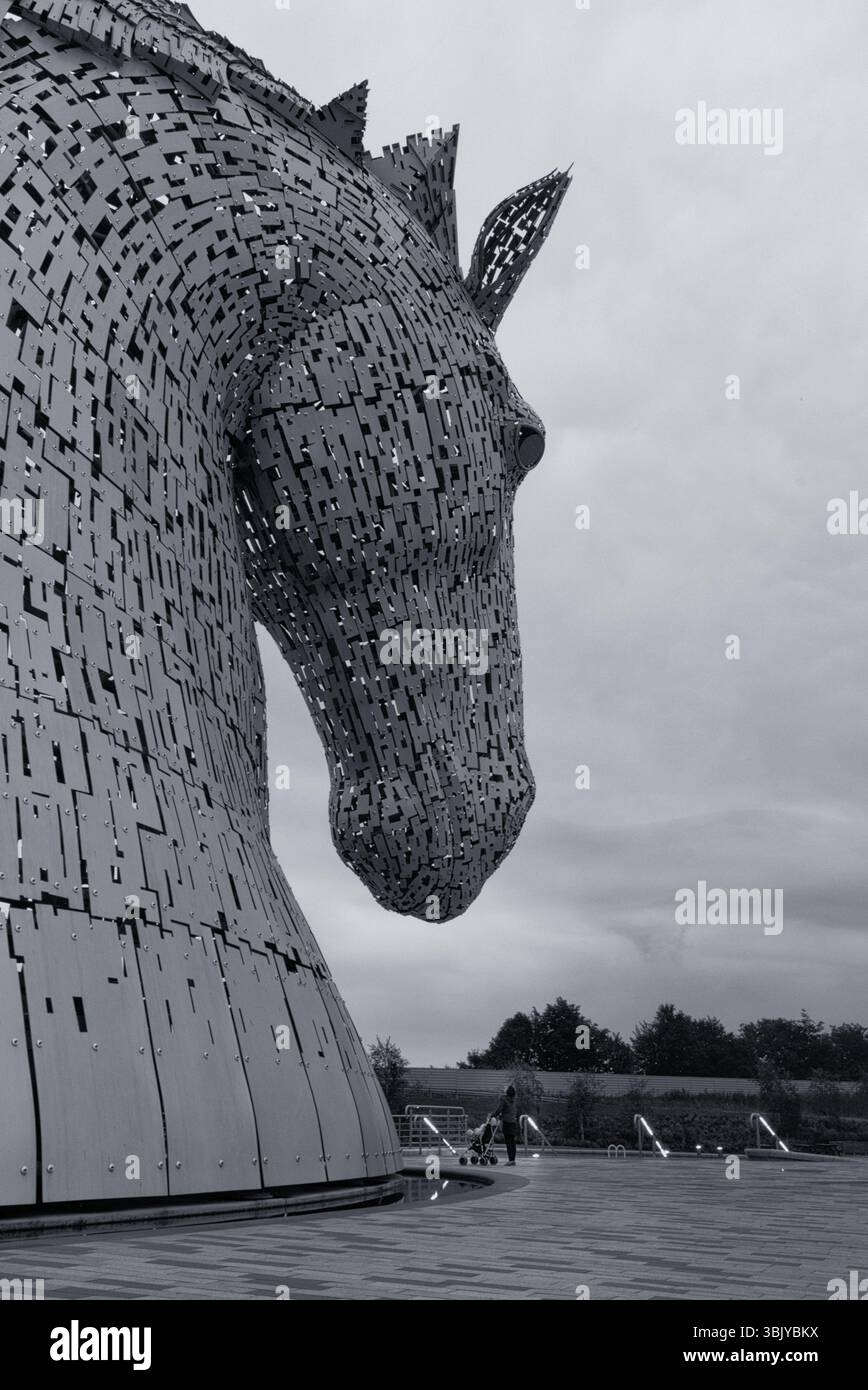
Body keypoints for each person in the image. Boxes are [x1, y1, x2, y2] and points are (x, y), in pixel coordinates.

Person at [494, 1084, 519, 1165]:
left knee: (508, 1142)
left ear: (507, 1092)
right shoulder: (514, 1100)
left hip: (507, 1122)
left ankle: (510, 1160)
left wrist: (494, 1115)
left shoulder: (504, 1099)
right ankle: (513, 1160)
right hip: (513, 1122)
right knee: (513, 1142)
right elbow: (510, 1110)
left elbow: (499, 1109)